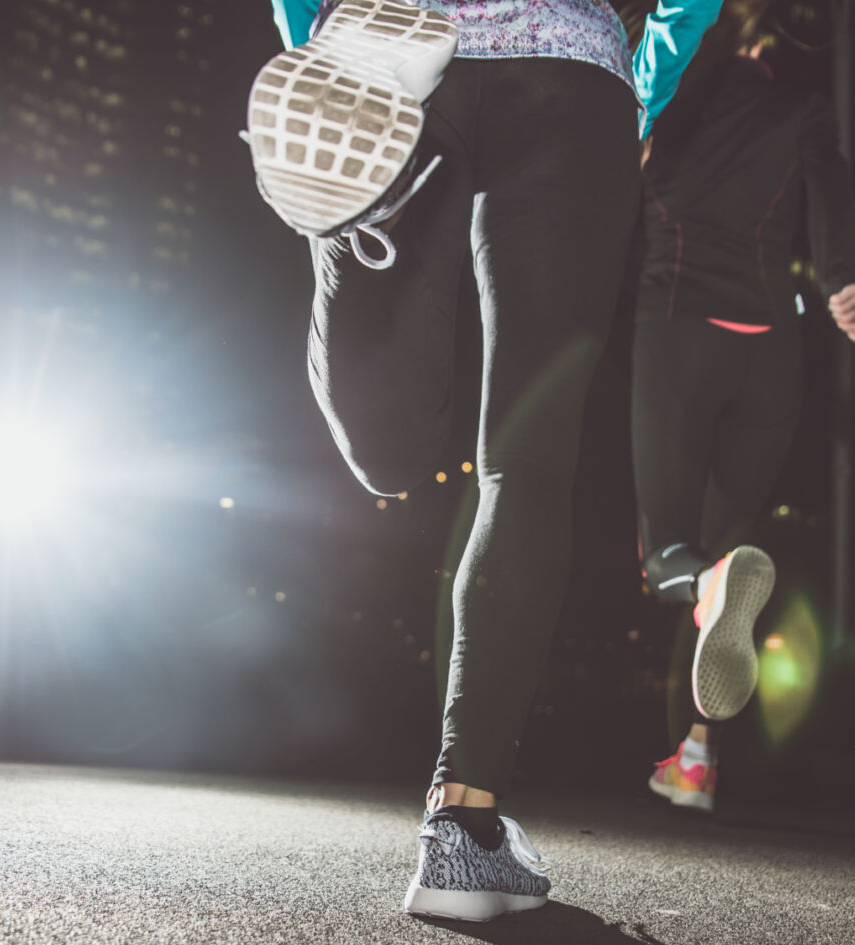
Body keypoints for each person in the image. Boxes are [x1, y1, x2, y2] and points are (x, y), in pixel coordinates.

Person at [249, 0, 721, 922]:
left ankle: (360, 212)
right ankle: (463, 834)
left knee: (387, 453)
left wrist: (316, 40)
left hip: (405, 49)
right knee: (524, 461)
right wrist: (639, 89)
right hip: (573, 73)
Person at [627, 2, 855, 812]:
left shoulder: (661, 93)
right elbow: (829, 181)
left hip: (679, 331)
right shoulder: (800, 105)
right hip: (772, 352)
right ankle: (696, 757)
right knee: (724, 574)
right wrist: (840, 279)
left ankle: (701, 577)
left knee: (671, 555)